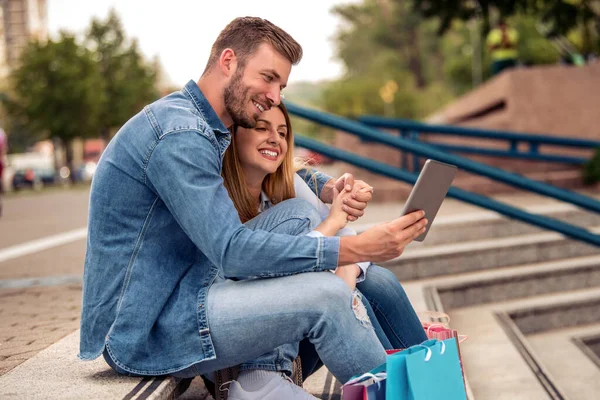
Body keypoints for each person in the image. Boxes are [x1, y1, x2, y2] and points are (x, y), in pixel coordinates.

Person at [79, 17, 428, 400]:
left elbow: (270, 160)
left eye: (281, 85)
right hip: (151, 326)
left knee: (300, 215)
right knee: (327, 298)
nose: (275, 96)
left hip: (192, 285)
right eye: (268, 77)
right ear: (228, 60)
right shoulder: (179, 135)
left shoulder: (209, 123)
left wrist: (328, 187)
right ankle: (270, 382)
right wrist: (356, 248)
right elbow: (232, 251)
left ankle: (424, 384)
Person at [217, 102, 427, 396]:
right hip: (247, 342)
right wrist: (330, 227)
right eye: (261, 128)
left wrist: (347, 271)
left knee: (380, 282)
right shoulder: (217, 197)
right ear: (233, 135)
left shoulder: (288, 183)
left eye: (282, 132)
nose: (275, 139)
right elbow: (262, 270)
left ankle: (430, 384)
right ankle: (398, 391)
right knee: (347, 297)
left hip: (299, 328)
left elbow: (348, 239)